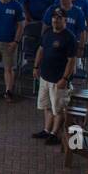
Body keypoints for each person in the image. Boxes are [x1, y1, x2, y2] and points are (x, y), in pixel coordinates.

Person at [32, 10, 78, 145]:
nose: (55, 20)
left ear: (65, 20)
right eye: (53, 18)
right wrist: (36, 67)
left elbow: (71, 61)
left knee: (58, 108)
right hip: (45, 77)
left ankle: (54, 133)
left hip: (58, 80)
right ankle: (47, 130)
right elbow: (41, 50)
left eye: (59, 18)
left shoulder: (69, 38)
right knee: (46, 106)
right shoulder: (47, 33)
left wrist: (64, 78)